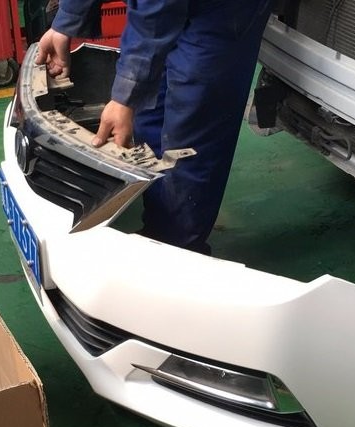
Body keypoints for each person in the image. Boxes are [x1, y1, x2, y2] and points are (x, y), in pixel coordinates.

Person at [37, 0, 274, 254]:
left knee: (190, 139)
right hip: (163, 8)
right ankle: (160, 232)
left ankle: (179, 251)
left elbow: (157, 7)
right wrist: (65, 24)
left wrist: (125, 98)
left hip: (221, 12)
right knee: (149, 119)